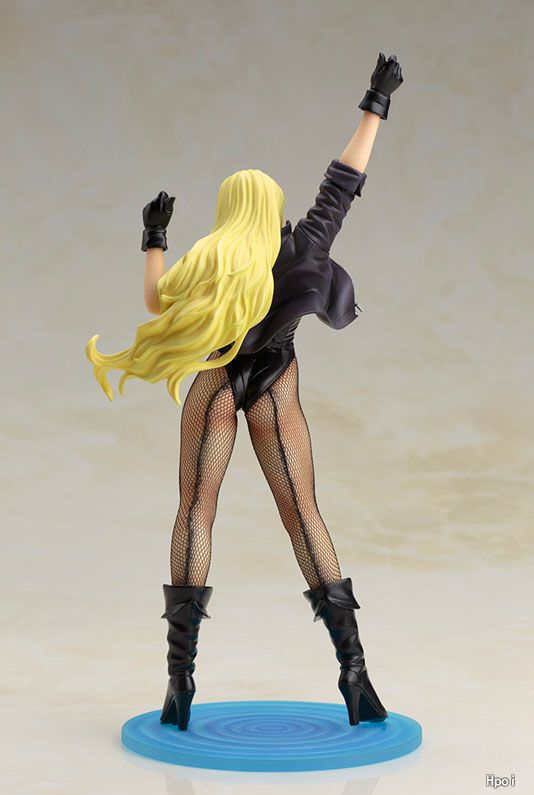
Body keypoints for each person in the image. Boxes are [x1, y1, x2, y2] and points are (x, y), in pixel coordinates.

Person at [86, 52, 404, 731]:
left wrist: (154, 237)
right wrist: (375, 104)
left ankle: (179, 683)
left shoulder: (212, 258)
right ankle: (355, 675)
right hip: (275, 381)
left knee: (194, 510)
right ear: (275, 209)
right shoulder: (302, 246)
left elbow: (155, 301)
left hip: (217, 379)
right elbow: (344, 182)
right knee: (304, 514)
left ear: (228, 210)